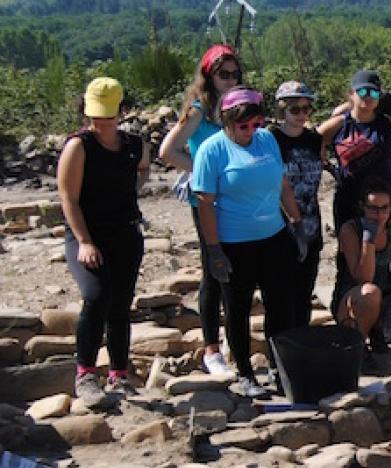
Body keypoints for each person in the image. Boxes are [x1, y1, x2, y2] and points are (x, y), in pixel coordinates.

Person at [191, 88, 306, 398]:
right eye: (243, 126)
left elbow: (282, 183)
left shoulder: (267, 140)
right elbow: (204, 202)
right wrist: (214, 249)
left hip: (273, 236)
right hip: (234, 242)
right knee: (238, 308)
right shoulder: (212, 150)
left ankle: (279, 366)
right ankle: (244, 371)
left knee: (280, 305)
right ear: (227, 121)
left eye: (255, 124)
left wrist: (296, 223)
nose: (250, 131)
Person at [57, 77, 149, 408]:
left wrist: (130, 191)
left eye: (107, 114)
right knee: (96, 296)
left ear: (121, 112)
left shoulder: (134, 144)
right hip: (88, 233)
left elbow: (142, 169)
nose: (100, 121)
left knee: (121, 304)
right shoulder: (78, 146)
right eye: (95, 114)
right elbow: (68, 198)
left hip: (124, 233)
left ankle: (119, 373)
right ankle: (85, 372)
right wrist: (84, 241)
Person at [159, 44, 243, 377]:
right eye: (224, 74)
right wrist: (201, 171)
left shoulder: (237, 106)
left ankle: (232, 342)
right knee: (213, 269)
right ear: (209, 76)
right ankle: (211, 349)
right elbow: (168, 150)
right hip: (207, 199)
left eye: (235, 74)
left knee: (237, 269)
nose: (231, 80)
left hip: (234, 199)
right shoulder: (200, 110)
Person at [331, 176, 391, 356]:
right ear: (362, 207)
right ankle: (357, 347)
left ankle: (379, 334)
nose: (380, 214)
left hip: (383, 297)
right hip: (354, 301)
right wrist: (369, 240)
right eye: (373, 209)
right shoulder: (350, 230)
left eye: (385, 208)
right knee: (370, 292)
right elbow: (363, 278)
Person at [319, 70, 391, 233]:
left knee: (385, 248)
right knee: (350, 250)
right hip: (349, 197)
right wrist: (324, 161)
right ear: (351, 94)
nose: (368, 96)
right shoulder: (339, 124)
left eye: (374, 92)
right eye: (363, 91)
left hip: (382, 200)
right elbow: (314, 140)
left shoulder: (388, 123)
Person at [270, 81, 325, 327]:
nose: (302, 115)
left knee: (304, 293)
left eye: (306, 109)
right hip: (280, 228)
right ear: (282, 110)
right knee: (281, 294)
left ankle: (301, 350)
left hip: (312, 223)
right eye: (295, 110)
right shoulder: (271, 139)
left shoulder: (314, 139)